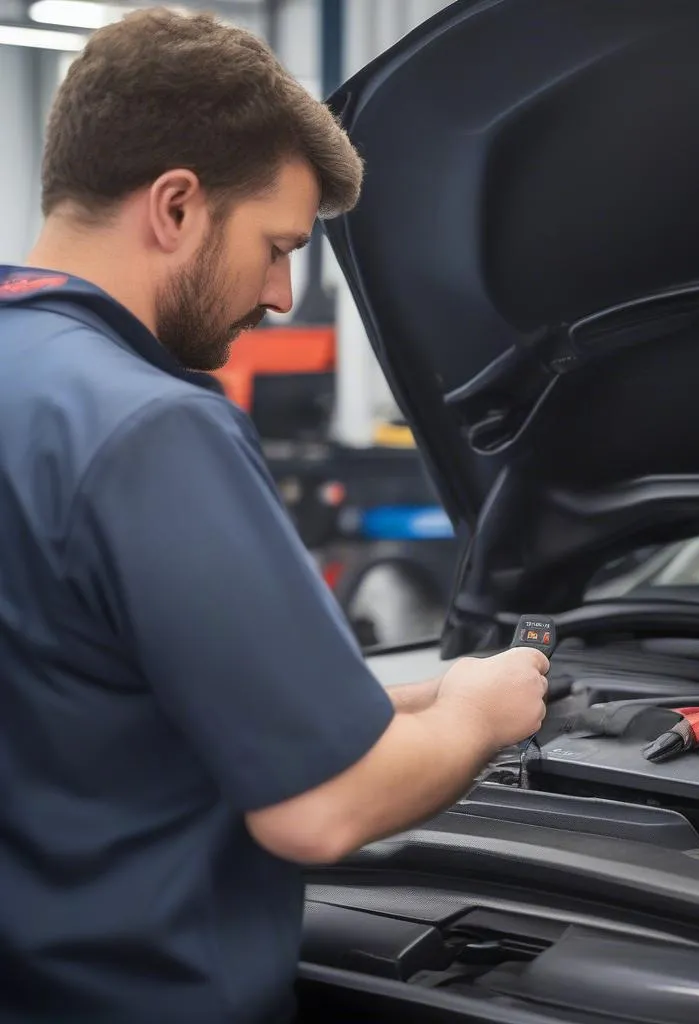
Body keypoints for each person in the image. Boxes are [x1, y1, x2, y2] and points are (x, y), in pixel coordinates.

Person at [0, 9, 549, 1024]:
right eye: (276, 245)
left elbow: (83, 705)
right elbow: (321, 811)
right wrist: (485, 712)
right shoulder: (153, 425)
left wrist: (405, 704)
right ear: (174, 206)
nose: (284, 294)